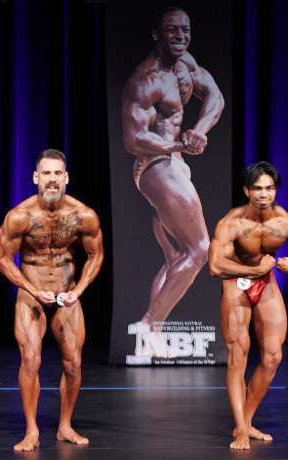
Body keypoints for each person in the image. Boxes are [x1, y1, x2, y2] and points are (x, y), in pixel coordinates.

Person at [121, 7, 224, 343]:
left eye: (185, 30)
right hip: (155, 164)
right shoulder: (145, 79)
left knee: (176, 257)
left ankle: (151, 336)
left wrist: (199, 130)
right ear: (156, 34)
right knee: (200, 249)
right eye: (172, 30)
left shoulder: (186, 64)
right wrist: (181, 143)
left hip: (174, 161)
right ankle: (150, 325)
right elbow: (133, 140)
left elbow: (216, 96)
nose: (180, 36)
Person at [0, 149, 103, 452]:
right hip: (32, 294)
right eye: (46, 173)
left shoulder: (84, 216)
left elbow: (96, 256)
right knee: (30, 360)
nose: (52, 179)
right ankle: (31, 430)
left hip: (67, 293)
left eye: (57, 173)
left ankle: (65, 426)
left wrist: (79, 290)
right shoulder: (20, 217)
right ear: (35, 178)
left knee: (74, 363)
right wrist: (31, 289)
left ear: (66, 177)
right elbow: (3, 260)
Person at [208, 161, 288, 450]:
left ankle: (246, 420)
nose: (264, 194)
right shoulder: (232, 223)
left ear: (275, 190)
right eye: (257, 188)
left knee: (273, 356)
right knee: (237, 355)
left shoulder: (284, 221)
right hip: (236, 282)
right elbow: (215, 266)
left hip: (266, 282)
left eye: (269, 188)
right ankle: (241, 429)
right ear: (246, 191)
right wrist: (255, 270)